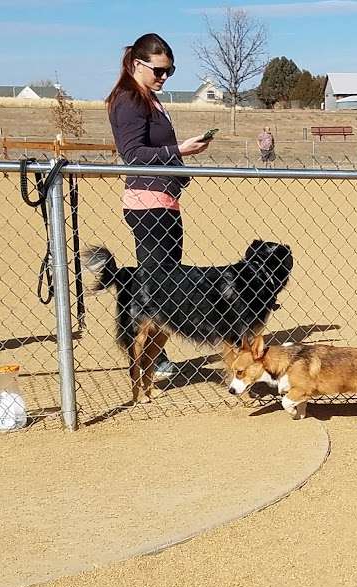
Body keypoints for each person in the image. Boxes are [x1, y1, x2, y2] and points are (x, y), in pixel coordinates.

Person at [105, 33, 211, 380]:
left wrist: (178, 164)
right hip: (147, 205)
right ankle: (150, 357)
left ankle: (153, 355)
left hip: (163, 202)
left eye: (170, 71)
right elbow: (133, 155)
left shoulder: (148, 98)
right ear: (137, 65)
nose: (165, 77)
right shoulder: (129, 100)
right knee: (158, 285)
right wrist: (179, 151)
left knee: (164, 283)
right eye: (159, 70)